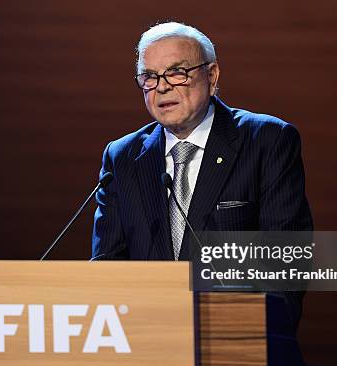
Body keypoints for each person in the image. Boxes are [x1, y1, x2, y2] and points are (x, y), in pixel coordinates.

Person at [91, 22, 312, 327]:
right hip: (147, 346)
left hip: (236, 344)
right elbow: (107, 270)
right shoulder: (123, 157)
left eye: (177, 72)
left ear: (212, 76)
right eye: (150, 77)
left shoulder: (266, 140)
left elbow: (284, 265)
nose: (163, 87)